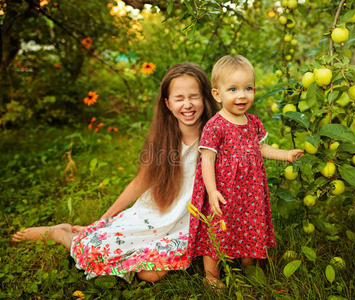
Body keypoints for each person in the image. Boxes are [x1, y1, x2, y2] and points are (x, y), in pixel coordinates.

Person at [11, 62, 218, 283]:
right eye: (179, 98)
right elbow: (139, 183)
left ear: (206, 98)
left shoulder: (217, 135)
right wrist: (101, 221)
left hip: (187, 223)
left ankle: (108, 243)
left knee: (150, 274)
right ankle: (61, 234)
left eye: (194, 96)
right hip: (155, 215)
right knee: (97, 249)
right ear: (167, 104)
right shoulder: (164, 141)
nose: (187, 104)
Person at [187, 55, 304, 285]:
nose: (242, 95)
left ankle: (248, 265)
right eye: (233, 89)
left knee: (249, 224)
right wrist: (211, 192)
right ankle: (211, 277)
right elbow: (207, 161)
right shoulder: (215, 125)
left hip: (250, 192)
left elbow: (261, 148)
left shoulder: (253, 122)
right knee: (217, 232)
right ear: (217, 94)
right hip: (223, 192)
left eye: (247, 88)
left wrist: (286, 155)